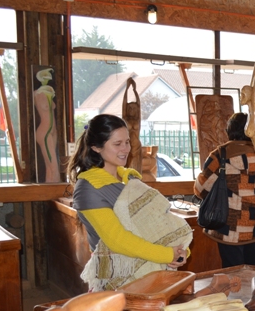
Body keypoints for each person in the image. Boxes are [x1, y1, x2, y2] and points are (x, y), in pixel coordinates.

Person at [68, 114, 188, 273]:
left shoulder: (130, 178)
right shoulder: (88, 188)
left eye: (127, 142)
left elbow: (158, 223)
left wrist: (180, 251)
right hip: (116, 274)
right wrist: (167, 255)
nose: (126, 149)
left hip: (150, 269)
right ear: (96, 147)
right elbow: (117, 240)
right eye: (117, 144)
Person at [195, 112, 255, 268]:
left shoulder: (220, 155)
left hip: (228, 228)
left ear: (230, 130)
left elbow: (201, 188)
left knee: (233, 275)